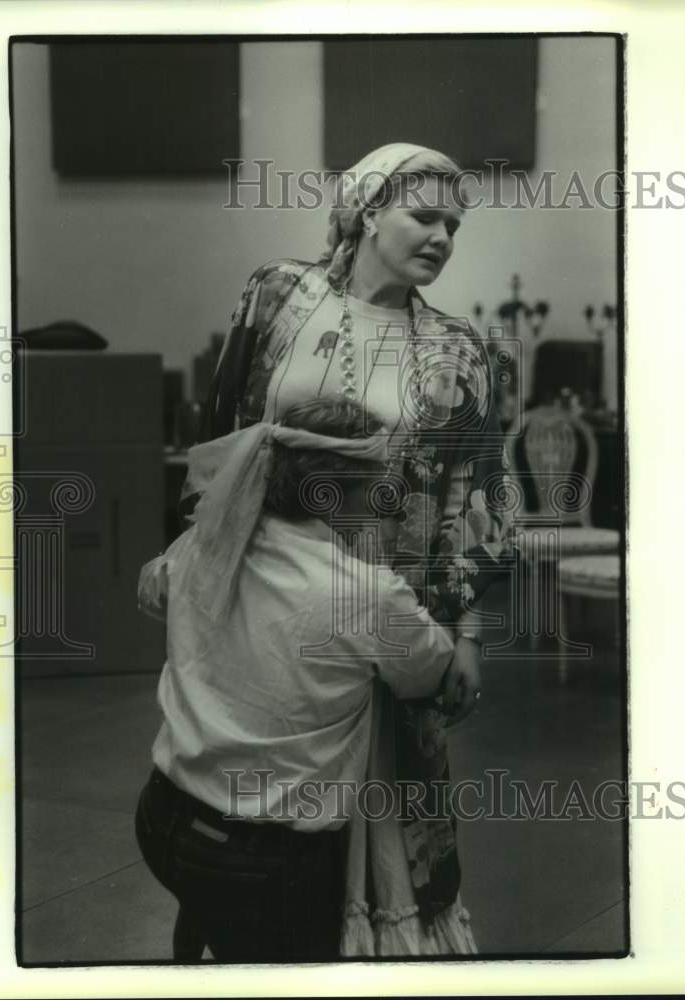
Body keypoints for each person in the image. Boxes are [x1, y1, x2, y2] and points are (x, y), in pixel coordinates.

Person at [194, 142, 516, 956]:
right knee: (243, 812)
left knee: (381, 822)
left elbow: (473, 499)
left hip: (381, 615)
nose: (442, 235)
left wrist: (467, 634)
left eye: (454, 223)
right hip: (257, 595)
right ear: (369, 210)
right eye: (423, 214)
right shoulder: (276, 297)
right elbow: (220, 436)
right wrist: (186, 554)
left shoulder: (460, 352)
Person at [136, 397, 458, 962]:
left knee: (219, 916)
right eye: (378, 488)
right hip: (264, 859)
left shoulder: (205, 547)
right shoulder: (364, 595)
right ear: (334, 493)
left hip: (165, 815)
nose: (388, 505)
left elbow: (154, 593)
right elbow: (427, 671)